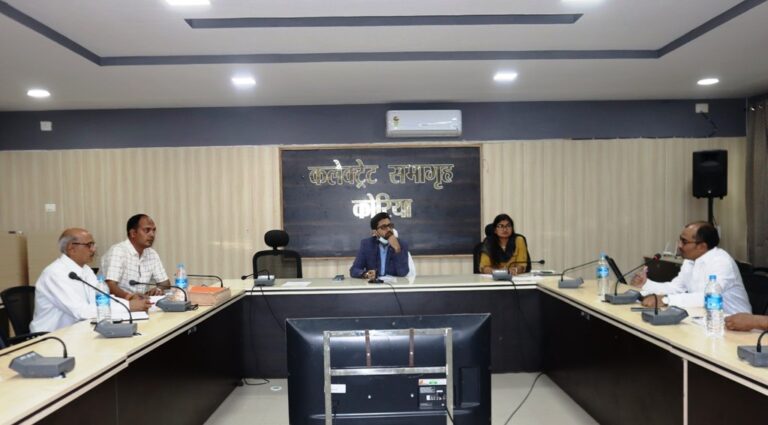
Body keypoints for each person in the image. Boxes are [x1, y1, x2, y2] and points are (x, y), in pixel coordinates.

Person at [30, 228, 151, 333]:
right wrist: (128, 306)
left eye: (93, 245)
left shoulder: (86, 270)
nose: (93, 250)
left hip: (78, 332)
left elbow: (102, 299)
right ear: (71, 248)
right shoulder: (54, 274)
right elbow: (81, 311)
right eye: (89, 245)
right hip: (51, 338)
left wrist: (129, 301)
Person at [631, 221, 751, 314]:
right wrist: (646, 284)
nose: (679, 245)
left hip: (735, 324)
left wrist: (665, 300)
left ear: (702, 246)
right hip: (704, 319)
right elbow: (676, 288)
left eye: (684, 242)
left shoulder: (721, 262)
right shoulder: (690, 260)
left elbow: (707, 298)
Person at [101, 214, 170, 300]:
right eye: (147, 230)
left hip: (140, 303)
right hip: (116, 303)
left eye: (153, 230)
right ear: (133, 233)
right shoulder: (118, 251)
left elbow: (165, 283)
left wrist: (158, 289)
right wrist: (130, 298)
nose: (152, 234)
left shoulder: (152, 254)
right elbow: (110, 285)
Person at [350, 212, 410, 279]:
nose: (389, 229)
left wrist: (397, 249)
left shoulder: (401, 244)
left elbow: (403, 273)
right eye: (384, 227)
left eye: (390, 226)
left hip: (394, 284)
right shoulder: (367, 244)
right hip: (375, 284)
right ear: (375, 232)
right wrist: (366, 274)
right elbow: (354, 270)